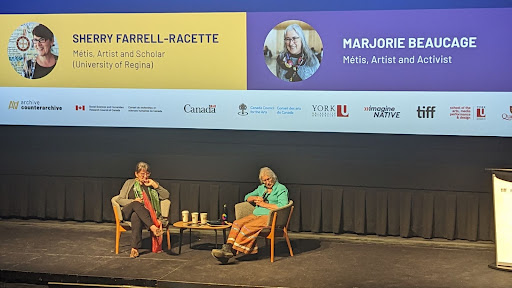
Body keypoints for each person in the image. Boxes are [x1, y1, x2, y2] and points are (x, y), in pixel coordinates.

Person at [211, 167, 289, 263]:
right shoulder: (261, 188)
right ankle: (229, 247)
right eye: (264, 180)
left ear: (273, 177)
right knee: (237, 223)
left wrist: (264, 204)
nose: (267, 182)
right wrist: (255, 197)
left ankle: (231, 251)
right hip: (257, 214)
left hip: (270, 217)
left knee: (247, 227)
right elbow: (246, 197)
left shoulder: (281, 189)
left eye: (268, 179)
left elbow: (283, 205)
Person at [116, 162, 170, 258]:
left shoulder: (151, 184)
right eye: (142, 174)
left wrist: (155, 185)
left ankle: (134, 249)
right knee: (137, 204)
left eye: (147, 174)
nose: (145, 176)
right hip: (127, 212)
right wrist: (133, 201)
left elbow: (166, 195)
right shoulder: (129, 183)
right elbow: (119, 200)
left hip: (144, 215)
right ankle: (153, 228)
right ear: (136, 174)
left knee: (136, 216)